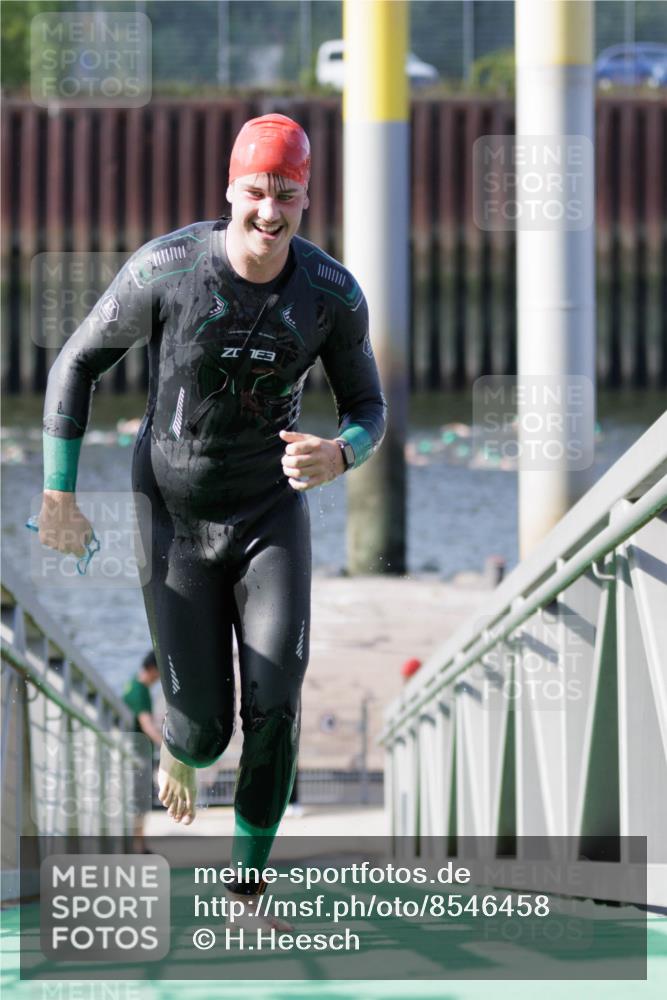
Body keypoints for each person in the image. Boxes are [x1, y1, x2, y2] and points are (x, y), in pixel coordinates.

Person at [36, 113, 386, 900]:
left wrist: (341, 454)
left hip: (269, 517)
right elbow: (76, 363)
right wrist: (60, 493)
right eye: (256, 192)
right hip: (171, 516)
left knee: (277, 698)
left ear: (306, 200)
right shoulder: (169, 268)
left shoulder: (330, 294)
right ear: (230, 190)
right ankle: (179, 746)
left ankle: (247, 890)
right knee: (206, 730)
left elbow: (369, 406)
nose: (270, 211)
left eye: (287, 195)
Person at [122, 650, 162, 852]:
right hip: (138, 754)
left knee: (136, 800)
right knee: (140, 801)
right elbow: (146, 724)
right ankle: (138, 846)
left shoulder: (131, 684)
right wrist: (166, 747)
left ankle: (139, 845)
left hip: (130, 751)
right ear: (153, 669)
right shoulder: (140, 690)